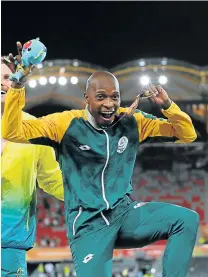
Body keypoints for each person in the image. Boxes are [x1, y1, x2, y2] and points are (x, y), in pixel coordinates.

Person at [2, 42, 199, 277]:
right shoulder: (65, 124)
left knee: (186, 220)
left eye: (115, 97)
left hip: (124, 215)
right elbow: (13, 132)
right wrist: (18, 84)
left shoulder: (132, 122)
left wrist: (168, 106)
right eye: (101, 97)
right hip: (88, 226)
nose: (109, 104)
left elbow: (188, 134)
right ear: (86, 98)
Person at [1, 57, 64, 277]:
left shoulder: (35, 129)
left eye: (7, 77)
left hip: (10, 247)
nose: (2, 83)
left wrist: (92, 192)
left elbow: (53, 180)